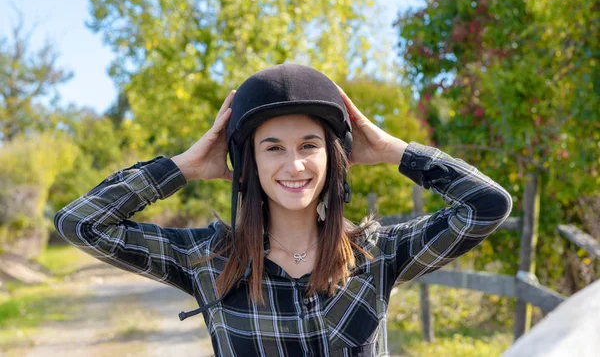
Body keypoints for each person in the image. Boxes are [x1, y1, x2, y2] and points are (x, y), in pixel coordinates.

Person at [54, 64, 513, 356]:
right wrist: (183, 167)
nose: (294, 165)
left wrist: (395, 151)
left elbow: (487, 206)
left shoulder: (375, 255)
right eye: (272, 148)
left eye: (309, 145)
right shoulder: (208, 261)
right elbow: (81, 224)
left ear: (333, 156)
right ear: (249, 161)